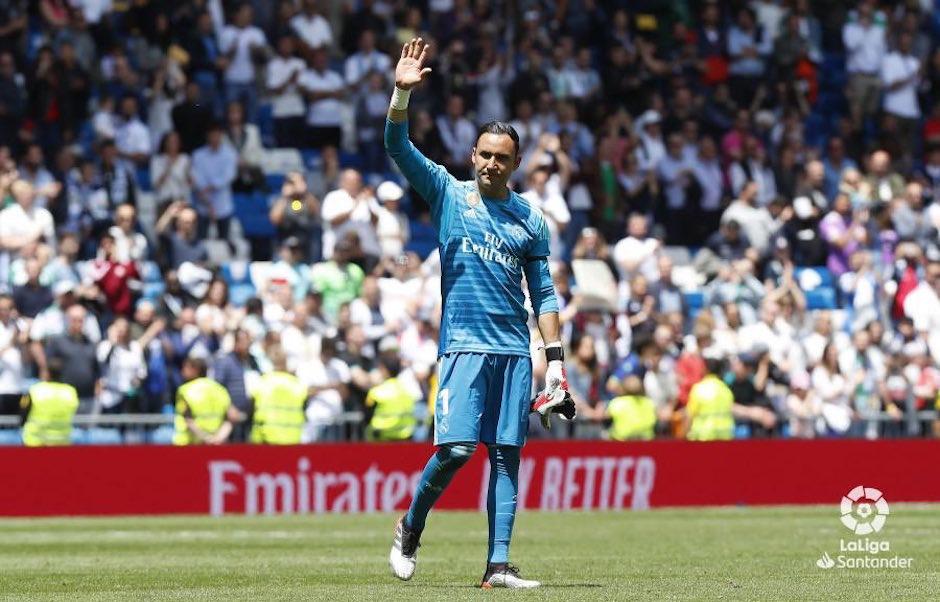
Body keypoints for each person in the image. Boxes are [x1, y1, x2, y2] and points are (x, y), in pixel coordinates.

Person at [385, 38, 566, 589]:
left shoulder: (529, 221)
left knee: (507, 457)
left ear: (516, 164)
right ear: (473, 156)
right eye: (484, 154)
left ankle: (497, 566)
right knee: (459, 448)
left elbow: (545, 294)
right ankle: (411, 526)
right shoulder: (446, 192)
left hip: (514, 350)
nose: (491, 163)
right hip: (464, 346)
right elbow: (397, 146)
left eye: (502, 158)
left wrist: (554, 365)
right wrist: (401, 93)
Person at [173, 356, 241, 445]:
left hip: (189, 444)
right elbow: (233, 416)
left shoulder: (185, 390)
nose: (182, 371)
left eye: (186, 367)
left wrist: (206, 438)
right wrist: (219, 437)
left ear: (195, 370)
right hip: (216, 444)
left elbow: (188, 420)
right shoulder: (219, 389)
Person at [249, 345, 308, 444]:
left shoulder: (262, 382)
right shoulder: (296, 384)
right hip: (292, 440)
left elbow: (251, 405)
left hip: (265, 441)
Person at [19, 358, 79, 446]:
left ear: (47, 373)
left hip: (35, 442)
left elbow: (23, 413)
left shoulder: (35, 390)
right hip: (61, 442)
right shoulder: (70, 392)